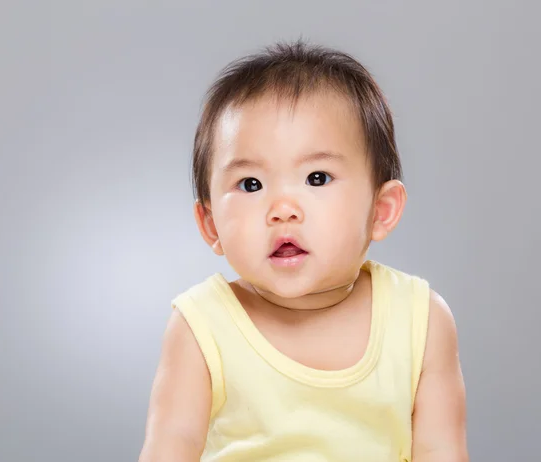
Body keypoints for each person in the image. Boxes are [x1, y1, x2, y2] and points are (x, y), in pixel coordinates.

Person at [138, 40, 468, 462]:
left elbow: (443, 450)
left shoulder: (420, 319)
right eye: (251, 184)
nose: (283, 210)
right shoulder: (202, 325)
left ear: (380, 211)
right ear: (210, 224)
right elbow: (170, 448)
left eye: (317, 177)